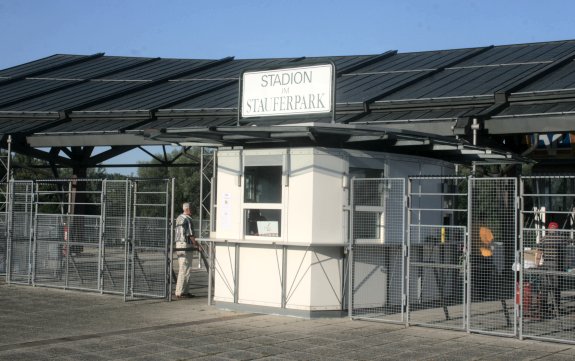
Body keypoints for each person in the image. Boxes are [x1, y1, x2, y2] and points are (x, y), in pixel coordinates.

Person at [536, 221, 568, 316]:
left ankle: (544, 308)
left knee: (545, 286)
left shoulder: (544, 239)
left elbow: (539, 252)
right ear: (557, 229)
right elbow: (568, 245)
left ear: (549, 229)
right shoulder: (561, 239)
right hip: (557, 266)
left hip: (546, 265)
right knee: (556, 287)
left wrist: (537, 264)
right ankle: (556, 307)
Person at [174, 202, 197, 299]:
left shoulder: (179, 218)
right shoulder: (188, 219)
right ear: (187, 209)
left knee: (183, 268)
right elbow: (190, 234)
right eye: (191, 208)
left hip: (179, 244)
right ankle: (180, 292)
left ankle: (184, 291)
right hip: (186, 244)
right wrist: (196, 244)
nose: (193, 210)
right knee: (185, 269)